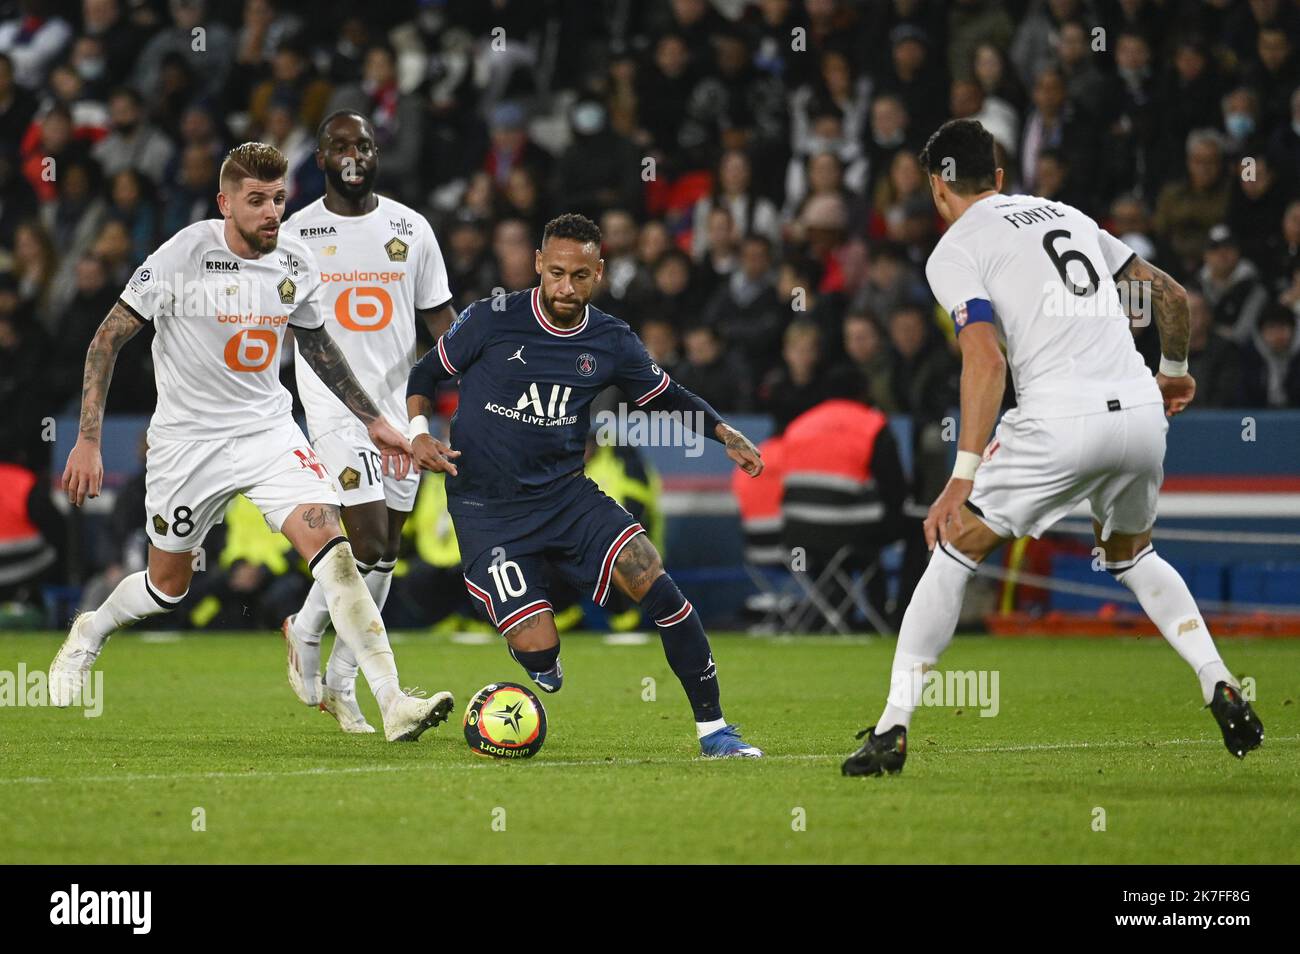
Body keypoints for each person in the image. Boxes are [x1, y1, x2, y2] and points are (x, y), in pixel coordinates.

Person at [842, 120, 1263, 777]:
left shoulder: (955, 250)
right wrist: (1175, 368)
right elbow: (1172, 297)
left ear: (937, 187)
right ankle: (1216, 679)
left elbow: (985, 362)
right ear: (1000, 178)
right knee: (1130, 552)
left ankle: (892, 728)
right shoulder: (1069, 216)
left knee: (954, 546)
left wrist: (961, 475)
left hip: (1059, 421)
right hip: (1142, 417)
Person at [51, 141, 454, 743]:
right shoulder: (182, 255)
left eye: (278, 198)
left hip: (268, 431)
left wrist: (372, 419)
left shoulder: (293, 261)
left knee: (338, 555)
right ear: (225, 203)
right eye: (257, 200)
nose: (272, 212)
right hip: (188, 443)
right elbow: (106, 341)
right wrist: (88, 441)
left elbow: (319, 348)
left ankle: (393, 700)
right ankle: (90, 629)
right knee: (166, 588)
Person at [406, 212, 766, 758]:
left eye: (579, 276)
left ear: (598, 272)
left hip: (566, 498)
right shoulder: (491, 319)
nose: (565, 287)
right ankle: (542, 656)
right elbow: (426, 374)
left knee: (660, 587)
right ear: (537, 266)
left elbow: (665, 395)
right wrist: (417, 432)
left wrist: (721, 432)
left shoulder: (610, 339)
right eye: (555, 273)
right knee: (537, 644)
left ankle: (715, 731)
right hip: (488, 507)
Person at [280, 110, 457, 733]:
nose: (353, 154)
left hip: (400, 410)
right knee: (371, 540)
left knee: (384, 558)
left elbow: (442, 327)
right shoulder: (295, 232)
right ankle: (307, 635)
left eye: (364, 144)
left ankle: (339, 680)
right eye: (339, 145)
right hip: (332, 408)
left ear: (376, 154)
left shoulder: (412, 228)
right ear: (321, 157)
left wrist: (480, 381)